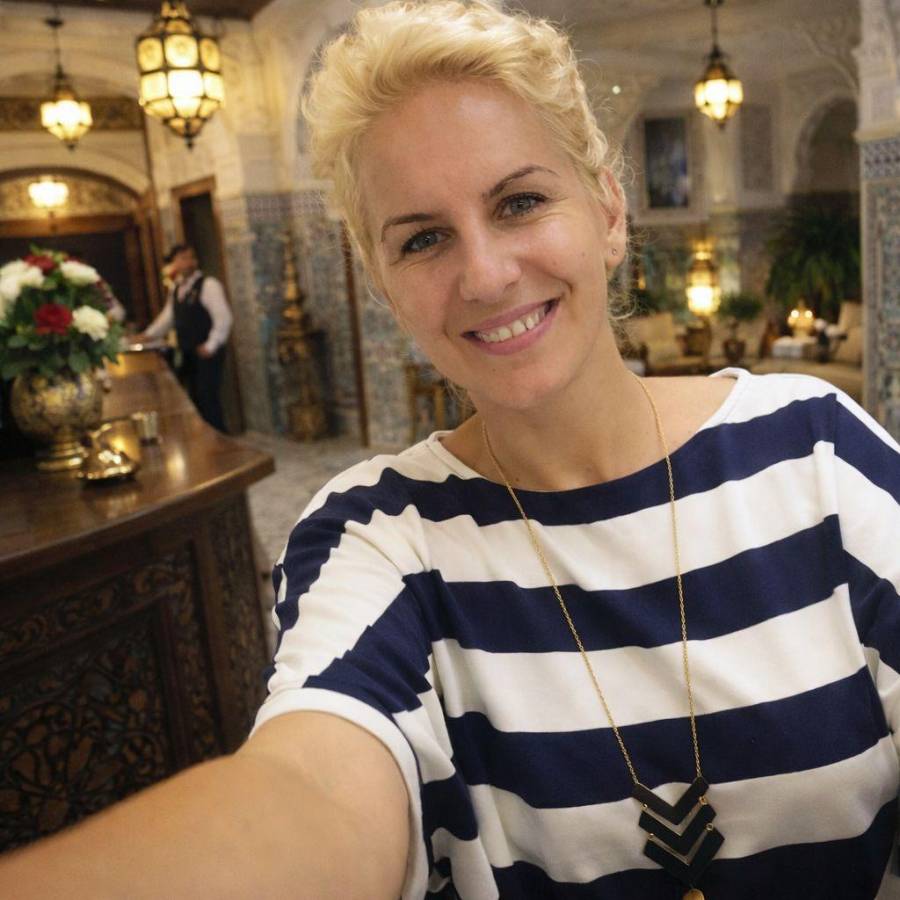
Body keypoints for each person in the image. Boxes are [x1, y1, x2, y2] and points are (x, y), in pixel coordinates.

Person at [1, 2, 898, 897]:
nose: (486, 274)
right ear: (383, 283)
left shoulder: (812, 450)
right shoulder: (380, 538)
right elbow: (311, 787)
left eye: (521, 202)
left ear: (609, 210)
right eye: (424, 238)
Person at [139, 244, 233, 431]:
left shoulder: (208, 285)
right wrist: (147, 336)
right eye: (181, 259)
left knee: (208, 397)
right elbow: (167, 318)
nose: (187, 262)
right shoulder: (176, 288)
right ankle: (205, 439)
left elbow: (223, 317)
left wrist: (211, 345)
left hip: (206, 351)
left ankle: (220, 437)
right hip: (188, 351)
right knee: (194, 397)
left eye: (190, 258)